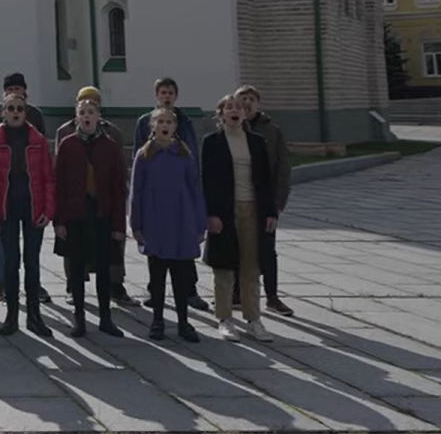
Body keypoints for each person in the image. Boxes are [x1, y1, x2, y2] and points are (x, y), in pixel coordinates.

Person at [201, 95, 278, 343]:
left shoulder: (256, 142)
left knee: (251, 266)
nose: (234, 111)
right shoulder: (212, 142)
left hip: (253, 209)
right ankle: (225, 319)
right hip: (225, 210)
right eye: (229, 107)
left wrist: (270, 212)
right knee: (224, 267)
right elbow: (207, 180)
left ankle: (254, 318)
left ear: (245, 114)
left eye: (239, 108)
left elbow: (266, 180)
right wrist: (211, 214)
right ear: (221, 114)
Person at [129, 107, 206, 342]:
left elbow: (195, 190)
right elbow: (136, 192)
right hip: (155, 223)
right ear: (153, 126)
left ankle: (184, 322)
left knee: (181, 277)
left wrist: (199, 225)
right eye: (160, 121)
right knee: (158, 276)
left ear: (174, 127)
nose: (164, 125)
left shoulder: (184, 154)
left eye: (169, 122)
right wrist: (136, 224)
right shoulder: (144, 155)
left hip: (181, 222)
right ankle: (158, 321)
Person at [54, 96, 127, 339]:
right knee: (76, 268)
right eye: (82, 112)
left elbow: (118, 188)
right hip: (75, 213)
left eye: (91, 112)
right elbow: (59, 184)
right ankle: (79, 319)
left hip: (101, 212)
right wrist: (59, 220)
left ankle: (106, 318)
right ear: (77, 117)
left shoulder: (109, 146)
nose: (86, 116)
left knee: (104, 267)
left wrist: (119, 224)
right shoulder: (68, 144)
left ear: (98, 117)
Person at [0, 92, 55, 337]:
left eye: (20, 109)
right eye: (11, 108)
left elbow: (47, 178)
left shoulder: (37, 140)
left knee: (32, 263)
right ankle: (12, 316)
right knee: (11, 262)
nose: (15, 112)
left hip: (33, 207)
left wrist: (48, 210)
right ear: (3, 113)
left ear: (26, 113)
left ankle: (34, 316)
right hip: (7, 208)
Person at [236, 84, 295, 317]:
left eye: (251, 99)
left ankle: (272, 296)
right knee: (236, 247)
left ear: (258, 104)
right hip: (238, 199)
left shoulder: (272, 131)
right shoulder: (231, 129)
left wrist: (278, 202)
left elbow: (283, 169)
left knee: (267, 250)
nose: (247, 103)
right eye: (243, 99)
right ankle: (236, 293)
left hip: (265, 202)